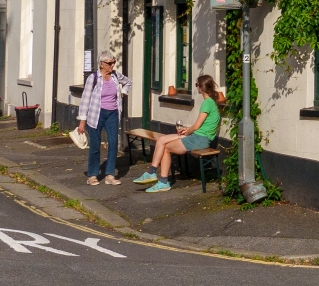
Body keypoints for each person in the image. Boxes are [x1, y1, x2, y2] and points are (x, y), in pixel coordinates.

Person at [133, 73, 222, 193]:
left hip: (200, 138)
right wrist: (187, 130)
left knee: (165, 148)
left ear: (201, 88)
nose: (197, 88)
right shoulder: (211, 102)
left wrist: (188, 131)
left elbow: (196, 126)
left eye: (196, 85)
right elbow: (200, 126)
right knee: (161, 140)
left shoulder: (207, 103)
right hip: (198, 136)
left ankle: (161, 180)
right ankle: (152, 173)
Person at [76, 52, 129, 185]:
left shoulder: (116, 76)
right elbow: (85, 99)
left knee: (113, 143)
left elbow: (128, 82)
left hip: (113, 113)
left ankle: (110, 175)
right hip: (96, 114)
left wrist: (123, 92)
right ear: (101, 64)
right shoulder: (93, 78)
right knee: (95, 145)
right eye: (109, 63)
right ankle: (92, 175)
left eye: (113, 62)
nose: (112, 65)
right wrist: (82, 121)